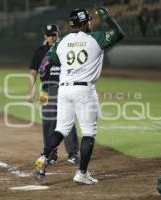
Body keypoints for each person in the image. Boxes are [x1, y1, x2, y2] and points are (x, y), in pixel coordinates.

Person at [34, 7, 124, 184]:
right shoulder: (95, 38)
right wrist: (107, 18)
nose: (90, 23)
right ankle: (82, 174)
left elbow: (46, 64)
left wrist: (45, 81)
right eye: (88, 21)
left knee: (61, 128)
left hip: (64, 90)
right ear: (83, 23)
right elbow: (119, 33)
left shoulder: (62, 42)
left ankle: (43, 158)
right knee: (89, 132)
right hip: (84, 90)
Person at [28, 24, 80, 165]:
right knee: (48, 122)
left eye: (55, 34)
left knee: (67, 120)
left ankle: (74, 153)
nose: (52, 37)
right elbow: (33, 71)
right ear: (45, 36)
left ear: (58, 34)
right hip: (45, 90)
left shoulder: (65, 48)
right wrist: (31, 90)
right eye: (50, 35)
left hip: (63, 88)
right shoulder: (40, 51)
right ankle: (50, 153)